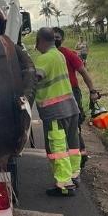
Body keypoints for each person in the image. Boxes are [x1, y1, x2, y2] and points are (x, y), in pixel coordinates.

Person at [34, 27, 81, 197]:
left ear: (41, 41)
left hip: (55, 112)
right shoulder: (60, 55)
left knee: (58, 148)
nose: (36, 47)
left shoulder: (44, 59)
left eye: (36, 43)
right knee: (72, 145)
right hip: (70, 108)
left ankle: (64, 184)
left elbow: (33, 81)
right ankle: (74, 176)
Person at [53, 27, 99, 166]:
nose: (55, 39)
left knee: (74, 124)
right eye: (52, 37)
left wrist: (92, 91)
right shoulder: (47, 55)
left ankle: (81, 153)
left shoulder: (69, 54)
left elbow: (84, 73)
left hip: (72, 92)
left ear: (62, 39)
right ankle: (76, 153)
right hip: (55, 95)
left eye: (57, 37)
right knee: (61, 127)